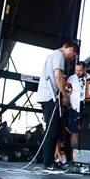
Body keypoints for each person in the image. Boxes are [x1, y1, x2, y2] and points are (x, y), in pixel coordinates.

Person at [36, 41, 80, 171]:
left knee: (54, 129)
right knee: (52, 130)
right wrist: (65, 95)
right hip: (50, 97)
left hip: (47, 96)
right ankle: (48, 162)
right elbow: (57, 75)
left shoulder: (53, 55)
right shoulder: (59, 55)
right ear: (70, 49)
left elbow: (56, 77)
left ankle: (49, 161)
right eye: (72, 56)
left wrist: (64, 83)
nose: (71, 59)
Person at [65, 61, 88, 158]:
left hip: (86, 107)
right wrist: (67, 103)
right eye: (76, 70)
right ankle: (74, 157)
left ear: (85, 69)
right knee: (74, 131)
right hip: (74, 108)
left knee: (87, 131)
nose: (78, 72)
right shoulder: (71, 78)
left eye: (80, 70)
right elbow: (67, 92)